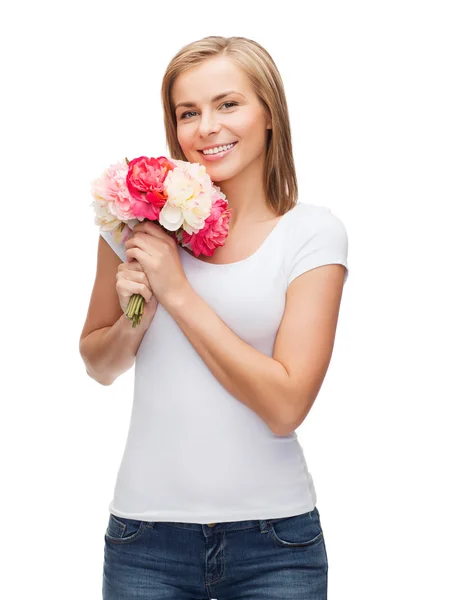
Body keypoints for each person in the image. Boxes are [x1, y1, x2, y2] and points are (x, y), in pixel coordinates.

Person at [80, 35, 349, 600]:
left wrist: (177, 293)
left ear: (269, 113)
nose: (206, 127)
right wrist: (137, 313)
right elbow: (98, 366)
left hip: (276, 547)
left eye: (228, 104)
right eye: (187, 112)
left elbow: (286, 405)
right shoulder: (136, 228)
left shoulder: (312, 235)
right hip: (144, 541)